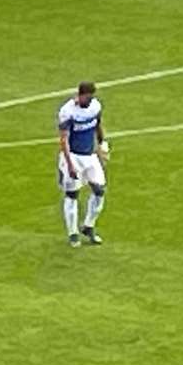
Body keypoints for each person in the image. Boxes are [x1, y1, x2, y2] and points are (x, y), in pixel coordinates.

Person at [57, 80, 109, 248]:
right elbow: (64, 140)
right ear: (80, 95)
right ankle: (73, 233)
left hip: (89, 156)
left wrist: (102, 144)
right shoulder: (67, 111)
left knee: (99, 190)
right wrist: (70, 165)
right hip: (72, 156)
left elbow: (98, 125)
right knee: (72, 194)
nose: (90, 99)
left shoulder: (95, 106)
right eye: (88, 96)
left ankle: (88, 226)